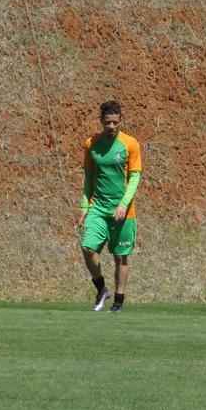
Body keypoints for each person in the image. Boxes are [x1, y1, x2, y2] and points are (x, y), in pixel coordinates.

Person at [79, 100, 142, 312]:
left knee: (120, 256)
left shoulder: (130, 144)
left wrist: (124, 204)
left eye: (115, 122)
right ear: (101, 121)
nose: (112, 126)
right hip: (98, 207)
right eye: (108, 122)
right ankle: (101, 288)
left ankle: (118, 300)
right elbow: (88, 177)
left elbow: (135, 177)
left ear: (120, 120)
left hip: (124, 210)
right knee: (87, 248)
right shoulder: (91, 144)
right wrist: (84, 207)